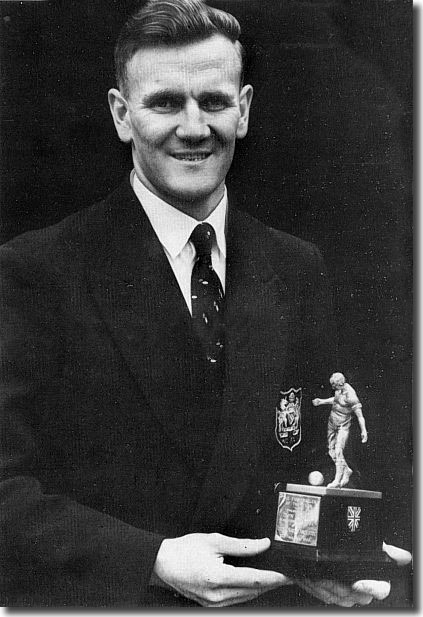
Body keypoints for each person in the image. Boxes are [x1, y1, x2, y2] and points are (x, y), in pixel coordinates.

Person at [0, 0, 410, 608]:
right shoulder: (35, 272)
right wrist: (155, 561)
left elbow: (306, 461)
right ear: (121, 115)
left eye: (213, 102)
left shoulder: (295, 269)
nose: (193, 128)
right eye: (165, 102)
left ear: (242, 111)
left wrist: (316, 563)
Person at [312, 372, 368, 488]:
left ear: (341, 383)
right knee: (331, 451)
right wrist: (321, 401)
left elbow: (360, 415)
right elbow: (336, 400)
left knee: (338, 451)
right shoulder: (338, 390)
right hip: (332, 422)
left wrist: (363, 431)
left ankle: (337, 480)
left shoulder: (351, 396)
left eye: (334, 385)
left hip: (343, 425)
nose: (333, 388)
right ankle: (346, 469)